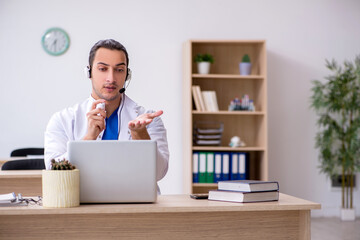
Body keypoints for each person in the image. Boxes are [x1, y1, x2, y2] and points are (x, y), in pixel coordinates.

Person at [44, 39, 169, 182]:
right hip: (83, 203)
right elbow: (52, 172)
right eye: (103, 69)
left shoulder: (148, 120)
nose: (111, 78)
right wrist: (88, 139)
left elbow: (159, 173)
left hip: (134, 202)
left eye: (119, 70)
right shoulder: (62, 119)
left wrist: (141, 137)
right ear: (89, 72)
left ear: (127, 75)